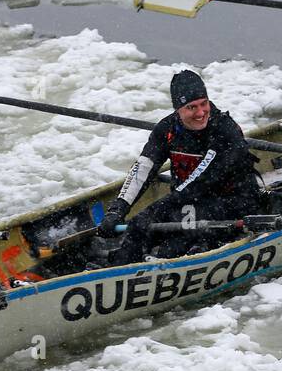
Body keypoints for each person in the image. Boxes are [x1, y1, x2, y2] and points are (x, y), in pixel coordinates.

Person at [92, 70, 263, 267]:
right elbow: (142, 169)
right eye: (192, 107)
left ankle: (170, 257)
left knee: (169, 244)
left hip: (235, 204)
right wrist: (117, 210)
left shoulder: (225, 130)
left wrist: (154, 211)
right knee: (137, 233)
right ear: (178, 110)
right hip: (188, 203)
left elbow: (199, 181)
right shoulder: (166, 129)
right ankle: (118, 264)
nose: (200, 113)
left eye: (204, 104)